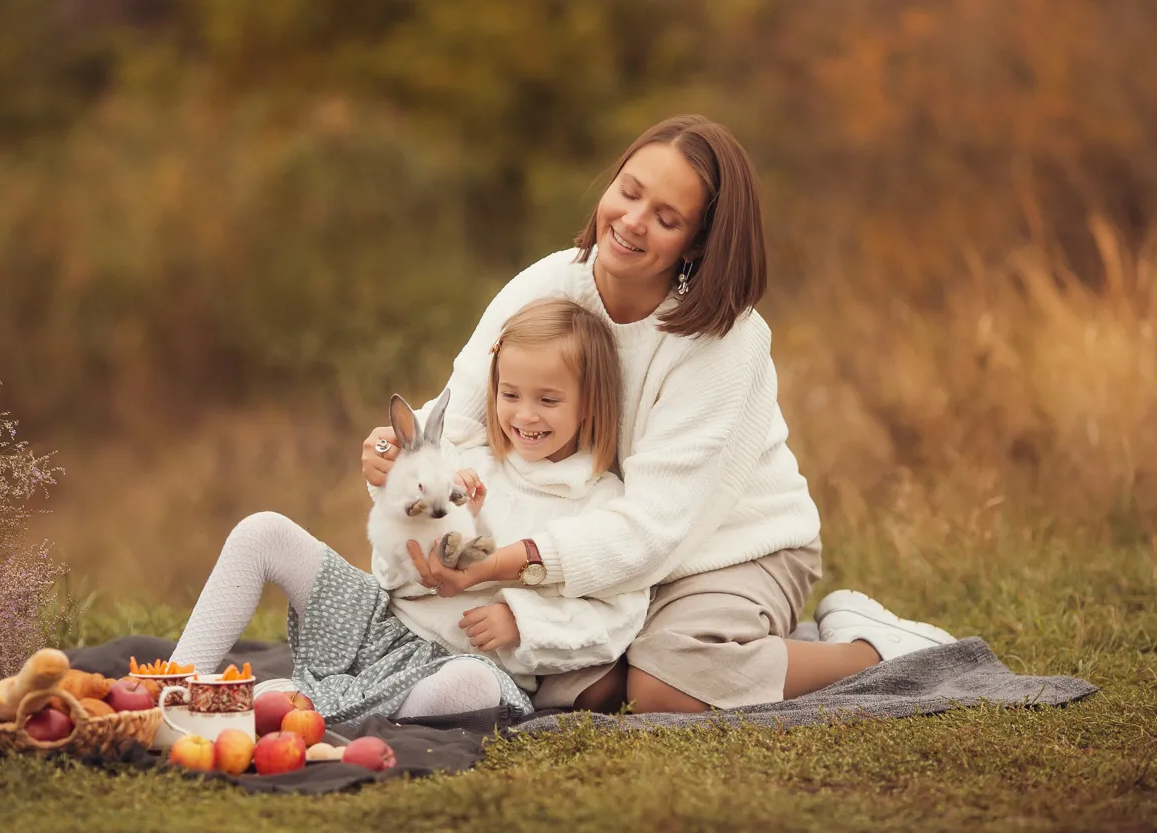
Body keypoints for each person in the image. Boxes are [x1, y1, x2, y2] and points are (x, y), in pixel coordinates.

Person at [362, 114, 956, 715]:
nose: (633, 221)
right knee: (582, 688)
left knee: (664, 686)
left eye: (667, 218)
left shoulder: (725, 341)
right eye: (628, 191)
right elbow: (457, 420)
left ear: (698, 243)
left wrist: (507, 562)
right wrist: (394, 456)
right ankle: (694, 649)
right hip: (600, 535)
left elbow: (654, 529)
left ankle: (870, 648)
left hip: (728, 548)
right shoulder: (546, 283)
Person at [170, 298, 648, 722]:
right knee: (263, 532)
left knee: (472, 689)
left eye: (548, 399)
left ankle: (318, 703)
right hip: (378, 625)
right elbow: (388, 562)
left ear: (588, 404)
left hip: (463, 662)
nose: (524, 415)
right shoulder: (464, 460)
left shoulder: (601, 501)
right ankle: (172, 688)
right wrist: (420, 547)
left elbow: (615, 618)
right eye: (509, 395)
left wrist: (522, 625)